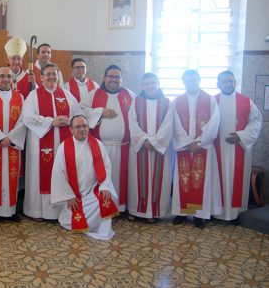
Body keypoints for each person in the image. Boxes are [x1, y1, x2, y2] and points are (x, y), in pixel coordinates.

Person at [23, 63, 81, 220]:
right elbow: (27, 117)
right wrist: (51, 122)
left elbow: (79, 117)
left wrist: (69, 121)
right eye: (47, 74)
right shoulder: (33, 96)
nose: (51, 77)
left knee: (63, 172)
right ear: (41, 78)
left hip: (64, 145)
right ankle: (37, 211)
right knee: (39, 174)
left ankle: (62, 211)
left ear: (58, 76)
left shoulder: (68, 96)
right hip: (39, 143)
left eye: (54, 74)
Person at [51, 115, 118, 240]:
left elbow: (106, 167)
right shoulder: (64, 147)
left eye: (84, 126)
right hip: (74, 194)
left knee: (105, 198)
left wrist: (104, 186)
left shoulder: (98, 144)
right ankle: (79, 222)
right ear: (70, 129)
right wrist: (68, 196)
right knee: (72, 215)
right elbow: (58, 173)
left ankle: (100, 229)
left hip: (93, 190)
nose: (82, 129)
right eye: (77, 127)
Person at [80, 64, 135, 212]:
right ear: (104, 78)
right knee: (100, 177)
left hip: (123, 147)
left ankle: (119, 207)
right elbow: (81, 110)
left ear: (121, 79)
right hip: (100, 147)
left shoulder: (129, 95)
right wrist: (100, 112)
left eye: (117, 77)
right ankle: (101, 207)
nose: (113, 79)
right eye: (110, 76)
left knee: (120, 179)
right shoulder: (94, 94)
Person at [171, 69, 221, 229]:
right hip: (184, 148)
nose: (191, 83)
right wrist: (187, 142)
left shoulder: (210, 100)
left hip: (202, 148)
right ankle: (182, 213)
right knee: (183, 180)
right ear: (183, 82)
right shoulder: (177, 101)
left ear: (199, 80)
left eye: (194, 80)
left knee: (201, 181)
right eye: (187, 80)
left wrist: (199, 142)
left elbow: (214, 122)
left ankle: (199, 214)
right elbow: (175, 123)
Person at [213, 70, 262, 222]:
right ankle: (215, 211)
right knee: (216, 179)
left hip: (238, 148)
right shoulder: (212, 101)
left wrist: (241, 136)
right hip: (216, 149)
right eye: (225, 81)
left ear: (235, 82)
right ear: (218, 84)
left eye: (231, 80)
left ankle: (234, 213)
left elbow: (256, 121)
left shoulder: (246, 101)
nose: (229, 84)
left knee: (236, 180)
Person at [128, 73, 173, 222]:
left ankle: (154, 212)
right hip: (141, 148)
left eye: (153, 83)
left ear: (158, 83)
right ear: (142, 86)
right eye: (146, 83)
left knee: (158, 179)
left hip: (159, 150)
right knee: (137, 179)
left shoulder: (167, 103)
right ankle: (137, 211)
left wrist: (154, 142)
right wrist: (144, 140)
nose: (150, 86)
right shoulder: (135, 102)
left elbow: (168, 125)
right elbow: (132, 123)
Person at [0, 66, 27, 221]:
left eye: (8, 76)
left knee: (11, 177)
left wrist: (11, 138)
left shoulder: (20, 98)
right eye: (2, 76)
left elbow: (23, 121)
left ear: (12, 79)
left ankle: (11, 210)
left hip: (12, 145)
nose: (5, 79)